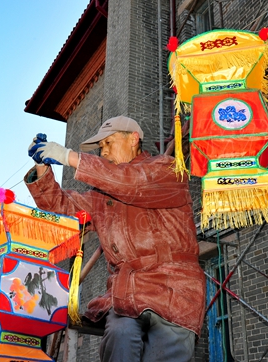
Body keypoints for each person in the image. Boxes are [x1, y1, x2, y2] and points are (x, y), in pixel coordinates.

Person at [25, 116, 205, 362]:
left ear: (134, 139)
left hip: (174, 290)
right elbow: (64, 209)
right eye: (101, 148)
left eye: (109, 142)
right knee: (119, 332)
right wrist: (43, 169)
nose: (104, 151)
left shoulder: (167, 169)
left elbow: (129, 182)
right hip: (126, 295)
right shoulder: (102, 195)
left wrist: (69, 156)